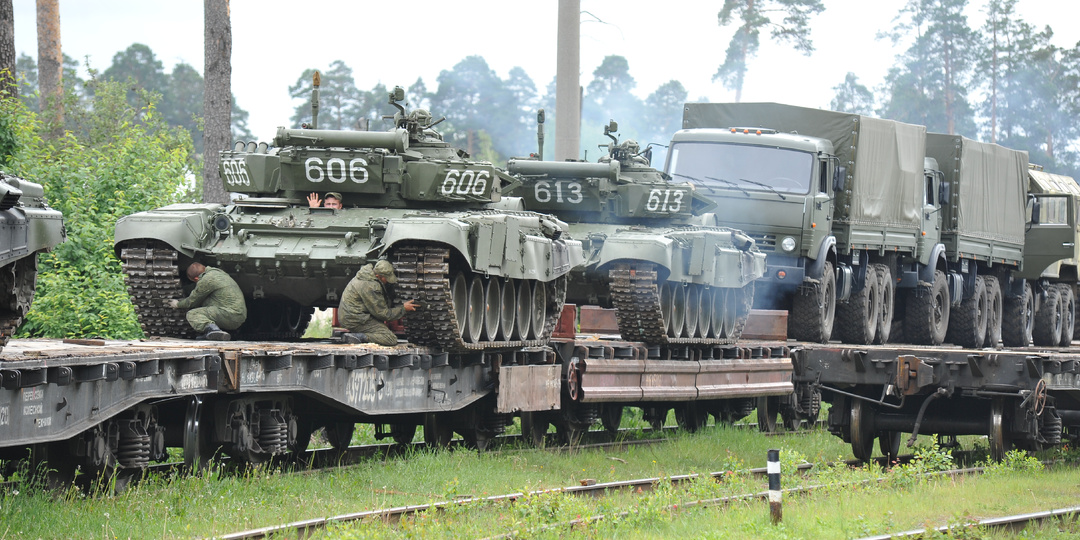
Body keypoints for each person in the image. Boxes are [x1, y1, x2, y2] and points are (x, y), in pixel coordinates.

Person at [339, 259, 419, 346]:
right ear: (378, 276)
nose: (388, 281)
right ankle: (359, 337)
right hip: (356, 319)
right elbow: (383, 314)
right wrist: (403, 309)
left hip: (352, 316)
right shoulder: (371, 286)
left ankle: (357, 334)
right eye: (386, 278)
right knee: (389, 338)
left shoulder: (365, 276)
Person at [167, 262, 248, 341]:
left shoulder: (206, 280)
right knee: (206, 300)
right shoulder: (216, 272)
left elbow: (191, 301)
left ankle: (213, 331)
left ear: (196, 278)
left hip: (230, 314)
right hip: (238, 315)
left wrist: (177, 304)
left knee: (193, 314)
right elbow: (197, 288)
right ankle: (217, 333)